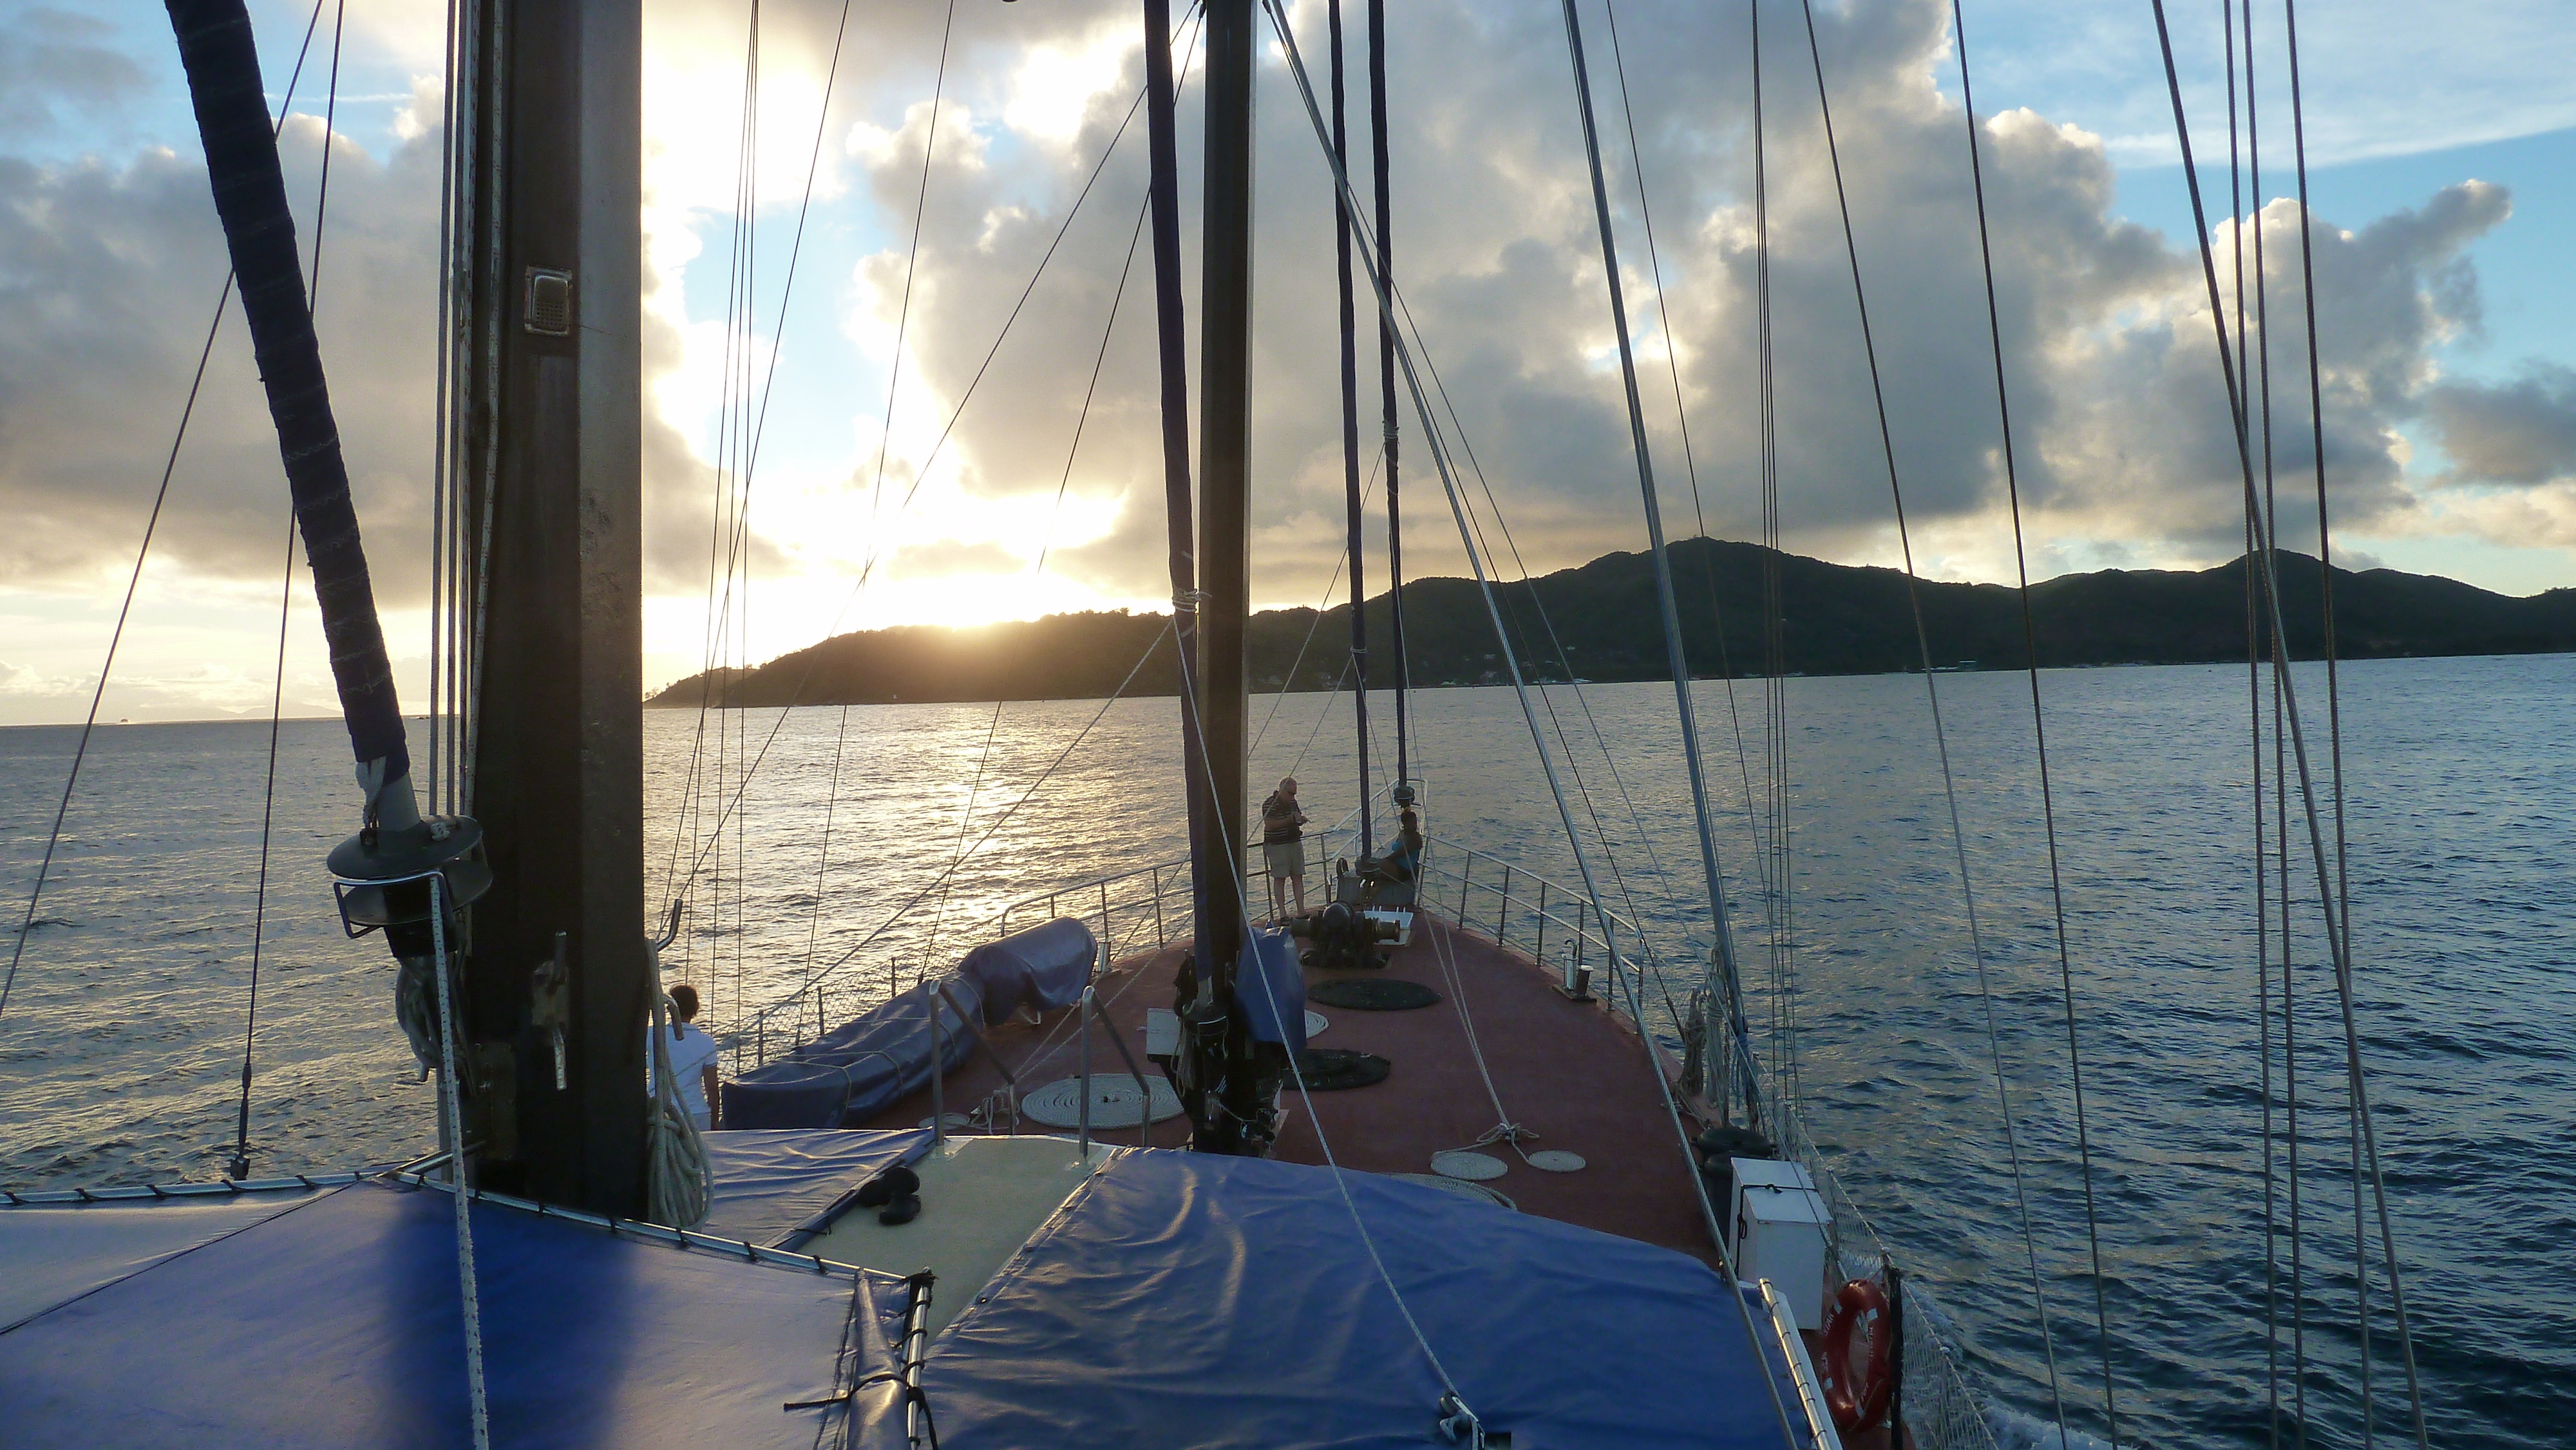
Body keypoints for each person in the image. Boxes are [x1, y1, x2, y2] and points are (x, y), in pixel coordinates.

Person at [652, 983, 721, 1132]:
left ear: (669, 1009)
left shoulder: (651, 1035)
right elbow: (712, 1088)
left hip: (659, 1112)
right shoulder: (706, 1042)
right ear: (696, 1008)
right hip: (696, 1115)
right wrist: (715, 1120)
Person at [1260, 776, 1310, 921]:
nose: (1293, 797)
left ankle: (1301, 910)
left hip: (1293, 842)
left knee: (1297, 876)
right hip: (1277, 845)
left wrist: (1300, 820)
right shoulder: (1270, 804)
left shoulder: (1293, 803)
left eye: (1295, 794)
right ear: (1282, 790)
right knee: (1280, 878)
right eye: (1291, 793)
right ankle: (1283, 913)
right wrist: (1290, 820)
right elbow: (1269, 824)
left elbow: (1296, 818)